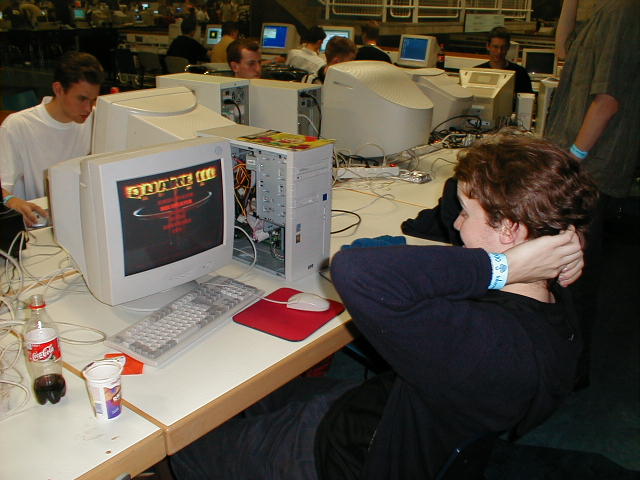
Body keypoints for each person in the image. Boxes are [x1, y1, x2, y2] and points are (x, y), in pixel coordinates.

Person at [169, 131, 598, 479]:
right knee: (257, 396)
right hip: (391, 412)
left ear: (510, 232)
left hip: (343, 455)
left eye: (467, 213)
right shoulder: (555, 299)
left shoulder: (482, 340)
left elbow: (356, 272)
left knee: (189, 447)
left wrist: (501, 266)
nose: (456, 223)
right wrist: (543, 254)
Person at [544, 0, 640, 390]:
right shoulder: (601, 14)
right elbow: (562, 50)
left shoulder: (621, 11)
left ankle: (571, 373)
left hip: (588, 170)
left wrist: (572, 159)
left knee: (571, 280)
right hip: (581, 166)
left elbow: (608, 101)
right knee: (569, 275)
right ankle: (568, 368)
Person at [0, 51, 104, 226]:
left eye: (93, 100)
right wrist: (12, 201)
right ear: (58, 89)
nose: (88, 108)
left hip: (84, 219)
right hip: (41, 224)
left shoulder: (98, 119)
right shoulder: (18, 126)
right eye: (82, 99)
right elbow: (3, 187)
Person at [477, 26, 533, 94]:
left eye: (503, 47)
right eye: (495, 47)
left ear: (508, 47)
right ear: (488, 46)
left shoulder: (520, 73)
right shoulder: (477, 72)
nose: (499, 52)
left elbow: (528, 98)